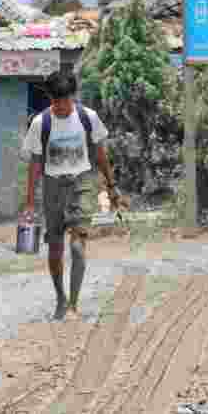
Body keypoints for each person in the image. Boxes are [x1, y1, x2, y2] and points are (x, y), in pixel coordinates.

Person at [23, 71, 120, 320]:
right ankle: (60, 298)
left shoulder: (88, 118)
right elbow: (35, 164)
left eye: (65, 101)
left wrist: (111, 185)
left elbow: (100, 153)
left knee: (77, 246)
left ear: (72, 97)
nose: (61, 107)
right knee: (55, 248)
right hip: (53, 187)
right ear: (50, 99)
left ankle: (74, 305)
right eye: (56, 102)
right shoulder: (40, 123)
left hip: (82, 183)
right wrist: (30, 203)